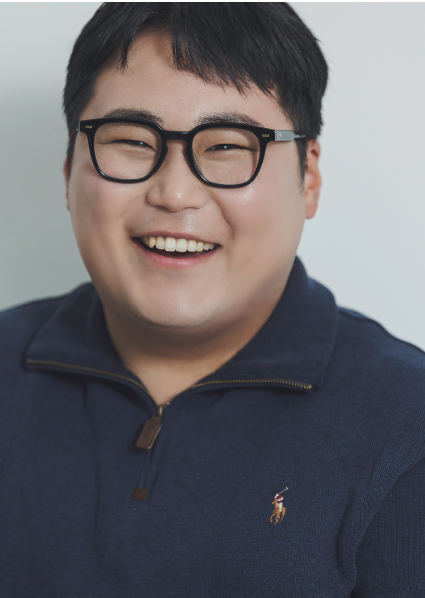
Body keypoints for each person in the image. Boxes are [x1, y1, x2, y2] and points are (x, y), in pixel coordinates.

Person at [0, 3, 424, 596]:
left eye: (227, 146)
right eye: (132, 141)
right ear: (70, 168)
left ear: (308, 177)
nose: (175, 193)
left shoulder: (407, 422)